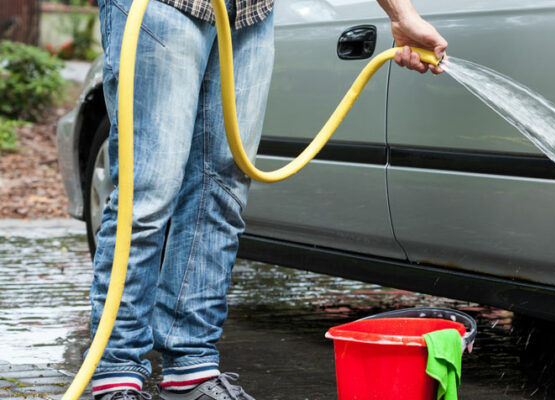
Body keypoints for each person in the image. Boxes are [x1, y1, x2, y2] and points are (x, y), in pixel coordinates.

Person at [89, 0, 447, 398]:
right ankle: (116, 371)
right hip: (163, 7)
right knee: (149, 193)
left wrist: (401, 14)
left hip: (249, 14)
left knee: (221, 190)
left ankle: (191, 369)